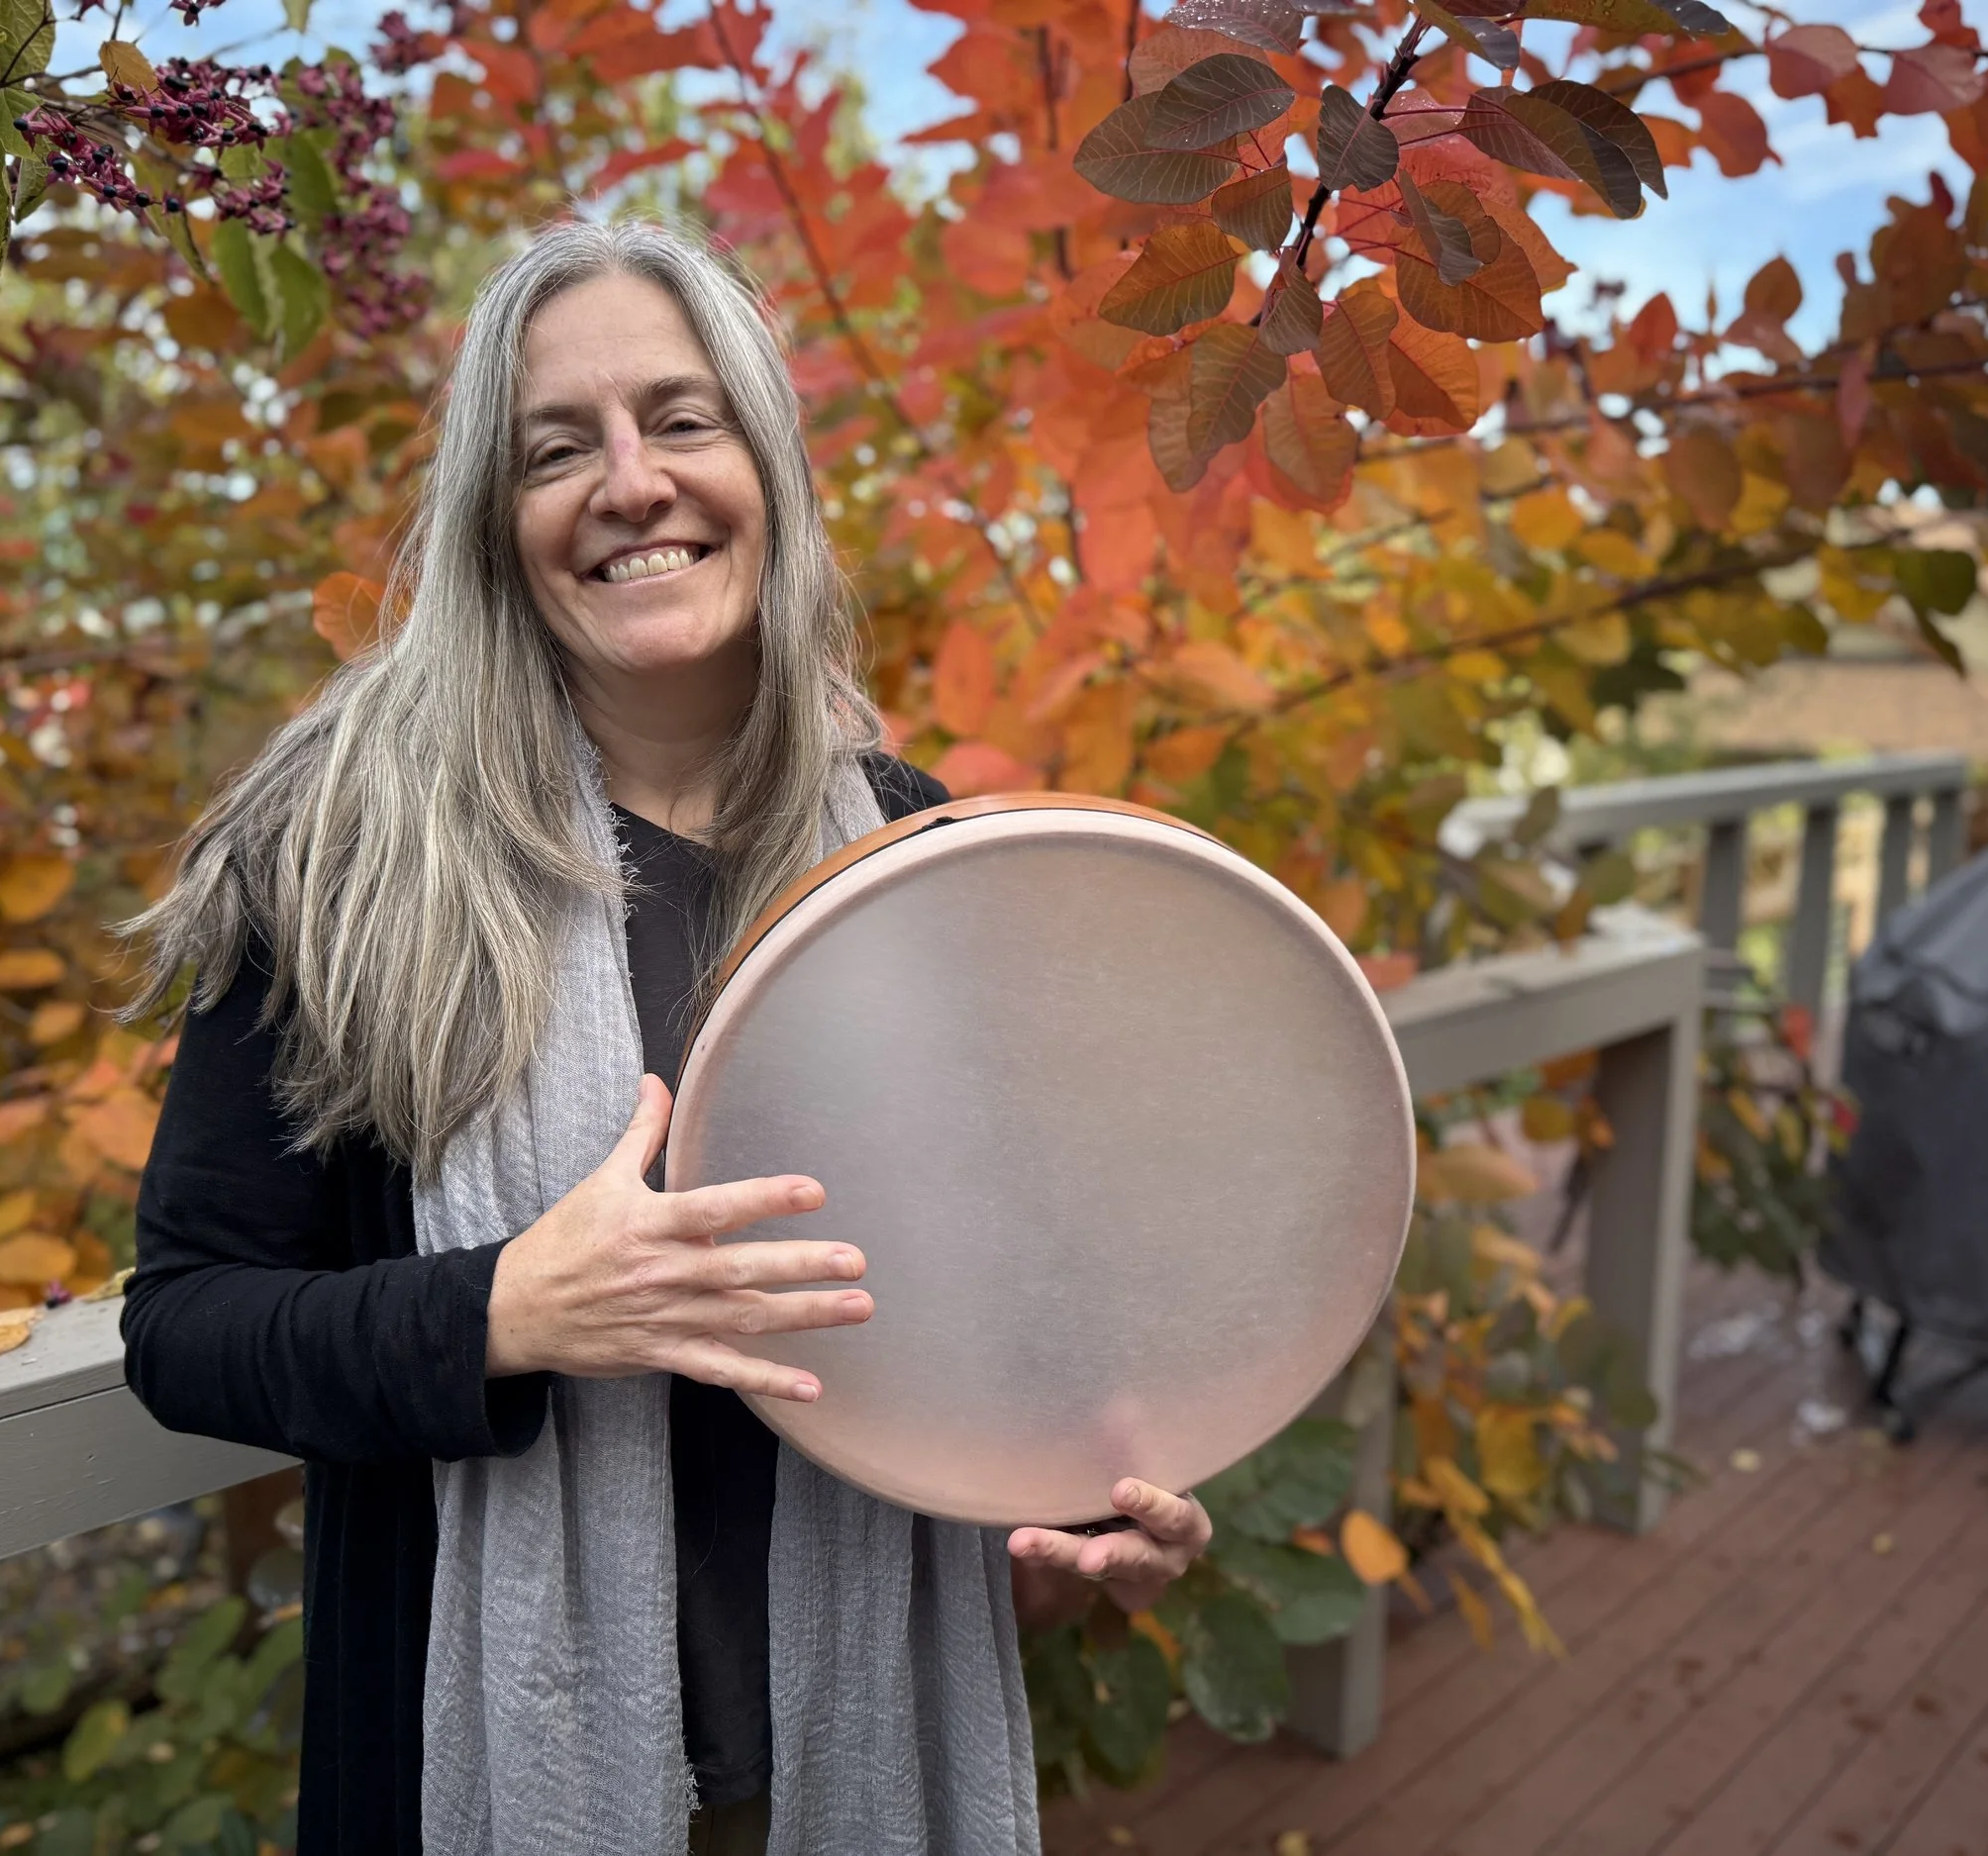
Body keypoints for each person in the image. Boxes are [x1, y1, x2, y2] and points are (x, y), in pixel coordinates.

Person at [121, 219, 1211, 1856]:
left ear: (766, 464)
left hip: (848, 1747)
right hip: (488, 1748)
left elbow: (983, 1287)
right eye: (558, 449)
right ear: (500, 525)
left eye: (682, 420)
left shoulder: (905, 851)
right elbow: (186, 1325)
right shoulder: (346, 854)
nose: (632, 484)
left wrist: (1076, 1488)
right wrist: (505, 1308)